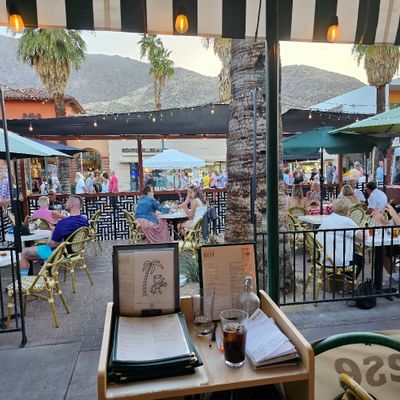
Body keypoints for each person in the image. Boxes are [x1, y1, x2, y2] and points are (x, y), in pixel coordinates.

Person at [19, 195, 88, 273]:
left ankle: (23, 279)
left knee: (23, 253)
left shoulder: (63, 223)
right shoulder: (84, 219)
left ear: (71, 205)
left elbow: (52, 244)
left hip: (58, 253)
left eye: (67, 202)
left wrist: (52, 234)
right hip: (75, 251)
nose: (65, 203)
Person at [317, 197, 364, 275]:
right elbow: (363, 237)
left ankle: (336, 278)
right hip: (338, 260)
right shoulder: (346, 221)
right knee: (360, 259)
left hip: (323, 258)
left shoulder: (327, 219)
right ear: (347, 210)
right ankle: (349, 281)